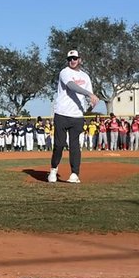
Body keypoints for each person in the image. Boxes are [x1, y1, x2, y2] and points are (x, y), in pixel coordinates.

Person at [48, 50, 98, 183]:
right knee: (59, 144)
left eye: (75, 58)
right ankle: (53, 169)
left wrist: (90, 105)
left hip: (77, 116)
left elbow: (89, 98)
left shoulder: (86, 77)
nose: (72, 61)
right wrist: (89, 94)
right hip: (62, 113)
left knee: (75, 146)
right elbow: (71, 86)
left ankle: (75, 174)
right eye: (70, 58)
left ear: (80, 60)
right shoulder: (64, 72)